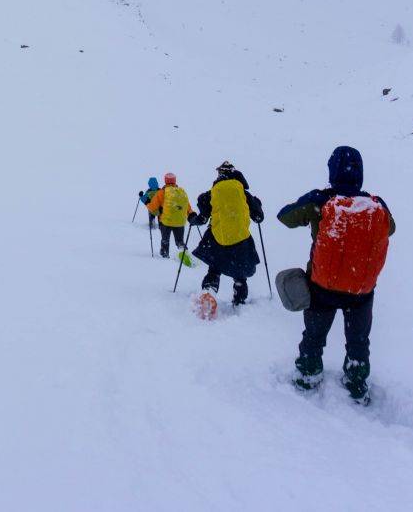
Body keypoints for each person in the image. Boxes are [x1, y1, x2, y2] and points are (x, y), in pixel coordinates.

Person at [277, 146, 395, 402]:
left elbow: (284, 217)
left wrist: (316, 201)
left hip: (323, 287)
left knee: (314, 336)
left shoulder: (321, 201)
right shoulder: (376, 204)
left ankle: (308, 374)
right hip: (361, 290)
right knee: (358, 341)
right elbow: (391, 228)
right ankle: (356, 381)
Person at [188, 162, 264, 306]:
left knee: (214, 268)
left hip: (217, 239)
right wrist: (257, 204)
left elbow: (203, 218)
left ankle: (209, 291)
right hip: (241, 241)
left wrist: (192, 219)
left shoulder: (212, 193)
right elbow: (259, 218)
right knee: (240, 275)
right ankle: (239, 300)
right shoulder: (244, 194)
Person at [146, 173, 196, 258]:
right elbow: (187, 206)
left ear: (165, 181)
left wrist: (147, 202)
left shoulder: (162, 192)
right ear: (175, 180)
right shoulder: (181, 192)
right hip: (180, 222)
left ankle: (165, 257)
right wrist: (192, 214)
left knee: (165, 240)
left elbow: (152, 207)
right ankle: (185, 256)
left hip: (166, 222)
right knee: (180, 241)